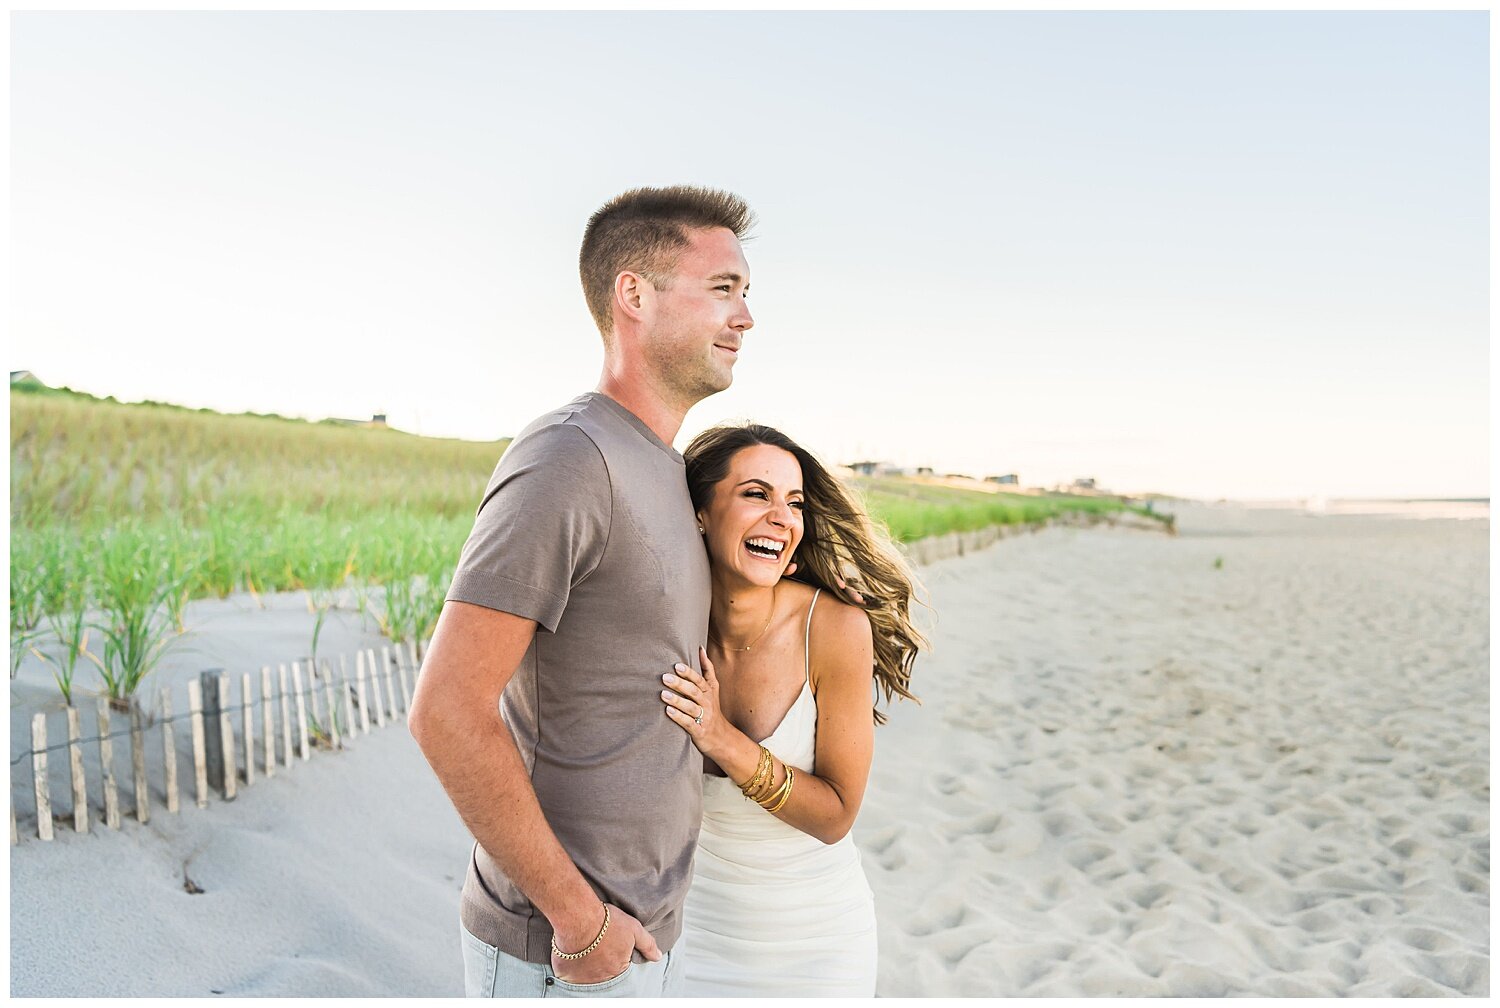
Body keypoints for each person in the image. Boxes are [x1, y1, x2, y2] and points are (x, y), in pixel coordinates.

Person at [407, 185, 755, 997]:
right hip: (562, 951)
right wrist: (578, 918)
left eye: (746, 294)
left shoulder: (668, 468)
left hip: (641, 939)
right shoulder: (570, 457)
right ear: (633, 294)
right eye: (724, 289)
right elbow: (447, 710)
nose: (745, 318)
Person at [658, 423, 926, 996]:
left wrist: (720, 736)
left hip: (816, 944)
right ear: (700, 511)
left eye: (795, 502)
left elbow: (835, 815)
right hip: (692, 935)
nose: (783, 518)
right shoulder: (661, 626)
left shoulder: (832, 627)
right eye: (757, 494)